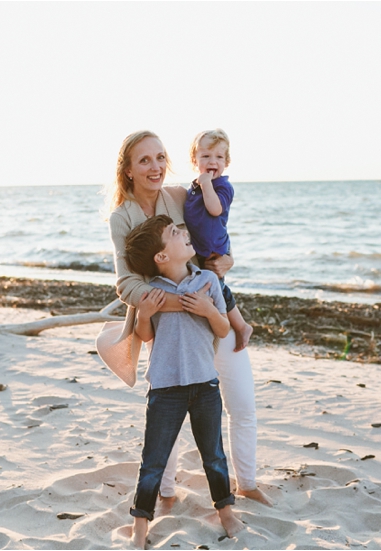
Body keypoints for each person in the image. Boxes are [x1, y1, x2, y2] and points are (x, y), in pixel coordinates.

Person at [104, 130, 272, 508]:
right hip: (166, 324)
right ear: (128, 170)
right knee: (170, 413)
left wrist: (228, 261)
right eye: (145, 160)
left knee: (242, 402)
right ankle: (165, 492)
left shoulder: (180, 195)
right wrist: (171, 304)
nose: (156, 167)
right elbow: (125, 282)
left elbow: (213, 236)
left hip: (211, 309)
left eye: (161, 157)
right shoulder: (122, 217)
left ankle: (246, 482)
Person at [123, 214, 244, 548]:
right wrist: (144, 315)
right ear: (161, 257)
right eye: (175, 233)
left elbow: (222, 329)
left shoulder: (207, 280)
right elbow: (145, 336)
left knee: (214, 456)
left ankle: (226, 513)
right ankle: (140, 527)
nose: (184, 233)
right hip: (165, 388)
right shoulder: (151, 292)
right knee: (153, 462)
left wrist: (208, 310)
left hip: (205, 384)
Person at [184, 129, 253, 352]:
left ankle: (241, 326)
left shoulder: (222, 187)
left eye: (219, 157)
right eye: (205, 156)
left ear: (227, 161)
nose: (212, 161)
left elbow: (214, 209)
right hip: (200, 250)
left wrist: (206, 184)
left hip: (215, 248)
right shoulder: (194, 187)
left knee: (220, 290)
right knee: (213, 288)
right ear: (195, 160)